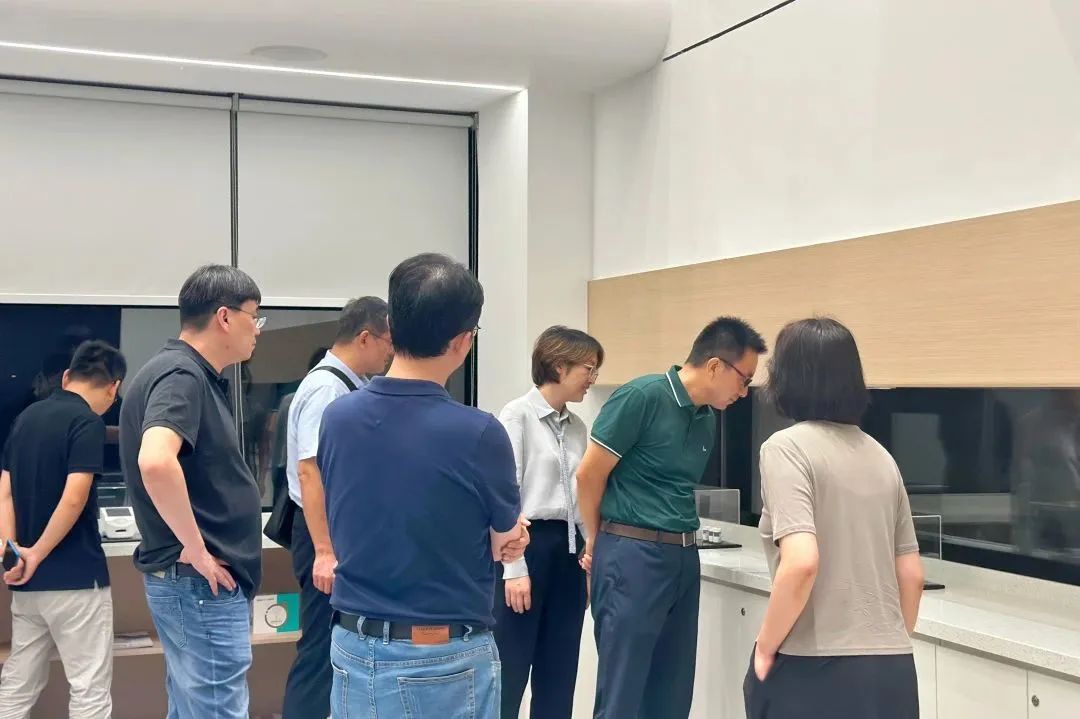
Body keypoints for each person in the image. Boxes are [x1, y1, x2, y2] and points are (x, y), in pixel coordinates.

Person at [319, 253, 529, 719]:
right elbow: (504, 541)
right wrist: (514, 535)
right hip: (441, 659)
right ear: (463, 340)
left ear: (392, 326)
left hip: (352, 646)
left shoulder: (337, 418)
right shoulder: (479, 432)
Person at [578, 316, 766, 719]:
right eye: (744, 380)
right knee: (623, 693)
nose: (744, 392)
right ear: (714, 366)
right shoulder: (642, 397)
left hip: (682, 557)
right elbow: (588, 475)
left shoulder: (706, 418)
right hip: (632, 554)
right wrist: (597, 539)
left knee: (673, 693)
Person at [744, 317, 924, 719]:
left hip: (813, 667)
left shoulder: (785, 449)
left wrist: (765, 648)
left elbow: (801, 563)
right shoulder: (881, 456)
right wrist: (882, 645)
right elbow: (912, 576)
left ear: (787, 377)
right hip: (892, 670)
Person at [119, 264, 264, 719]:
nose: (258, 330)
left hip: (192, 584)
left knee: (192, 707)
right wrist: (197, 549)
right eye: (254, 317)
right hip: (200, 583)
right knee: (216, 709)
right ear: (225, 317)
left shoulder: (177, 372)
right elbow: (155, 460)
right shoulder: (182, 375)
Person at [0, 341, 126, 719]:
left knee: (19, 681)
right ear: (114, 387)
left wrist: (14, 550)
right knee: (89, 688)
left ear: (68, 376)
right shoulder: (87, 422)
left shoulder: (25, 418)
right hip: (76, 578)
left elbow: (5, 491)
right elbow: (75, 497)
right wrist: (38, 553)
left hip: (27, 581)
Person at [282, 297, 394, 719]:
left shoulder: (353, 385)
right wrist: (325, 550)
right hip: (322, 536)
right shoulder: (327, 388)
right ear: (365, 337)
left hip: (339, 533)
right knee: (319, 650)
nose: (390, 353)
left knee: (340, 649)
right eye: (388, 342)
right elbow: (309, 471)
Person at [495, 326, 604, 719]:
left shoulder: (578, 426)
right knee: (510, 670)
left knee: (559, 671)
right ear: (559, 366)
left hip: (569, 551)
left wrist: (590, 550)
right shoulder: (517, 415)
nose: (592, 379)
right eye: (588, 369)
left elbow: (581, 493)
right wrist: (514, 569)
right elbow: (505, 493)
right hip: (527, 545)